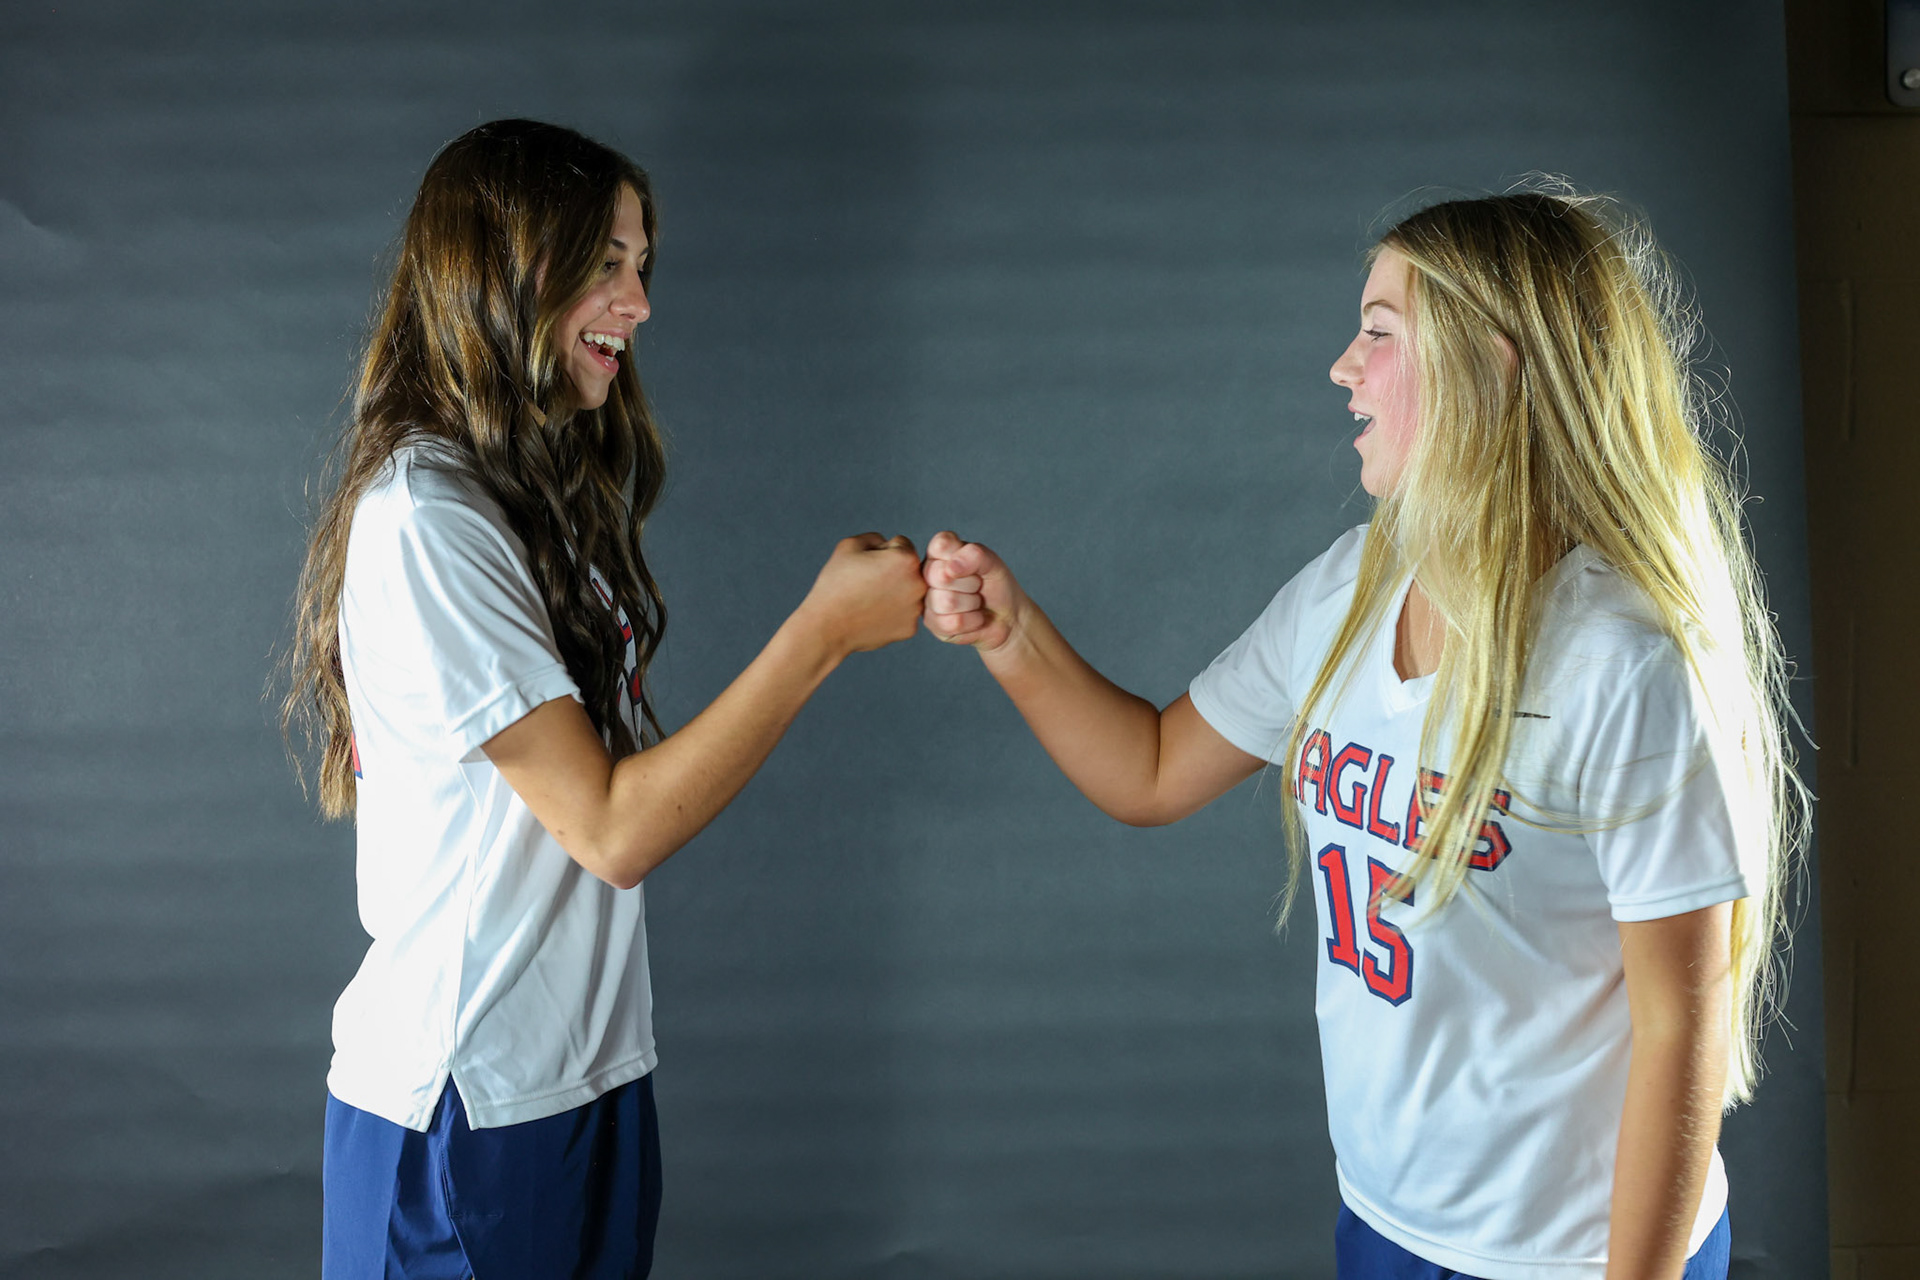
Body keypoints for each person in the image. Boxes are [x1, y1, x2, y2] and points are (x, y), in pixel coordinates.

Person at [920, 190, 1800, 1280]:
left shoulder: (1615, 661)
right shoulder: (1350, 587)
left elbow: (1684, 1018)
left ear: (1493, 361)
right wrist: (1013, 636)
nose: (1343, 365)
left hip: (1571, 1254)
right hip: (1385, 1220)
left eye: (1380, 333)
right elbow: (1148, 769)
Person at [281, 119, 926, 1279]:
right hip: (459, 1105)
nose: (636, 303)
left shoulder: (519, 497)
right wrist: (821, 636)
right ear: (504, 266)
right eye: (606, 263)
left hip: (586, 1074)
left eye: (641, 266)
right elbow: (614, 827)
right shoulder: (428, 516)